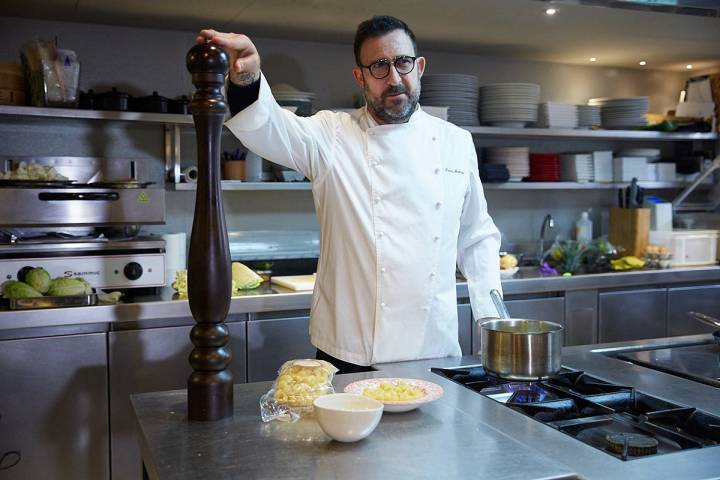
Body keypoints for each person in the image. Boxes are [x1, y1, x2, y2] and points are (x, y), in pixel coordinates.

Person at [197, 15, 502, 374]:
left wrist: (492, 320)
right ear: (360, 77)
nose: (393, 78)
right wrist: (247, 76)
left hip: (433, 349)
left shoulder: (455, 142)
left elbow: (476, 236)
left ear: (418, 67)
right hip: (350, 352)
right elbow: (268, 128)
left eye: (402, 63)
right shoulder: (332, 136)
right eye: (378, 67)